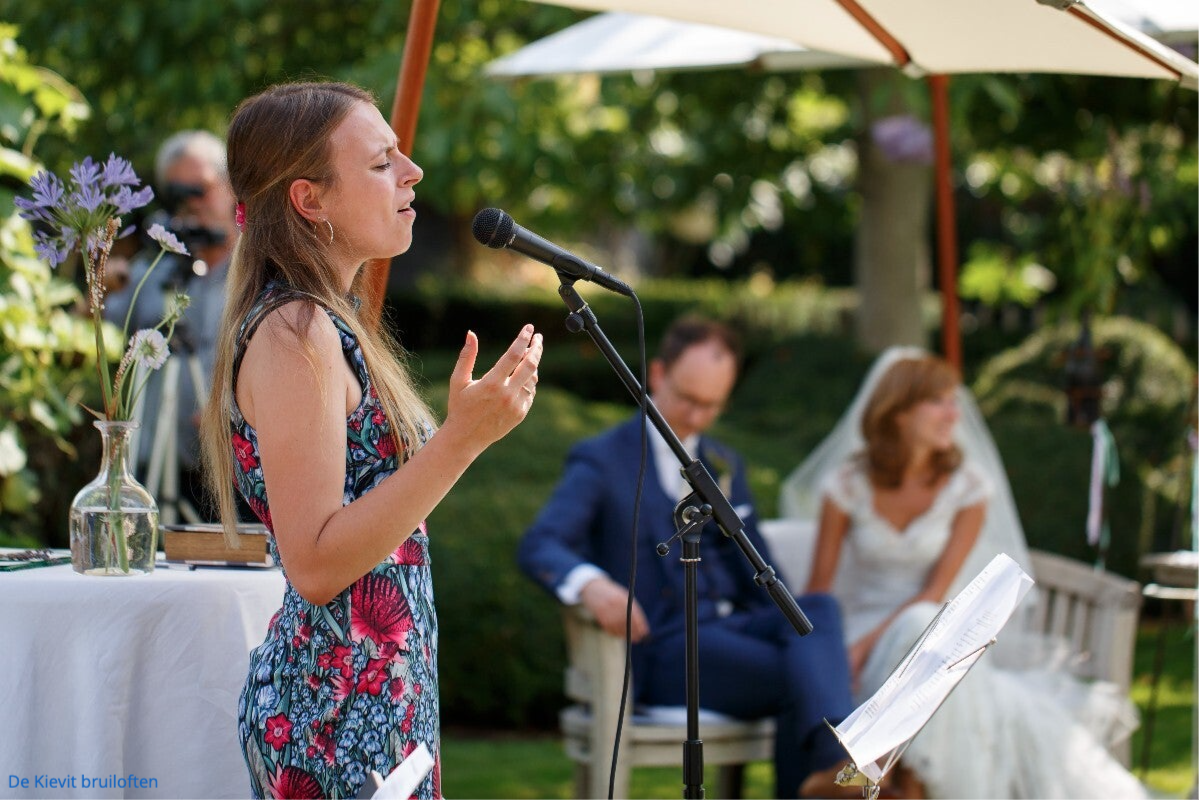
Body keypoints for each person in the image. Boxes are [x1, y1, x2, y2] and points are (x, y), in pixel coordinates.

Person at [199, 81, 543, 800]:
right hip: (334, 717)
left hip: (373, 703)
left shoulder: (324, 320)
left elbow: (373, 526)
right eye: (382, 162)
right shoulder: (295, 331)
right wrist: (460, 441)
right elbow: (316, 563)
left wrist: (456, 439)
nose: (412, 171)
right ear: (309, 200)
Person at [517, 317, 856, 800]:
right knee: (804, 677)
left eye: (711, 405)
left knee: (818, 611)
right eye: (687, 399)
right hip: (664, 649)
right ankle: (837, 763)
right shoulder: (603, 459)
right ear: (657, 375)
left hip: (734, 628)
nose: (696, 417)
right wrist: (591, 582)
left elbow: (762, 569)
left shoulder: (724, 464)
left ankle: (832, 764)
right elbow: (541, 543)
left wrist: (803, 640)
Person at [792, 348, 1147, 800]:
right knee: (936, 656)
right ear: (898, 412)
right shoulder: (847, 484)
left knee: (925, 628)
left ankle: (876, 774)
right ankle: (896, 781)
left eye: (954, 402)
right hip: (869, 630)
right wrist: (843, 652)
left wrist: (863, 648)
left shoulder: (968, 487)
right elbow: (819, 591)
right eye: (938, 402)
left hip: (934, 633)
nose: (953, 415)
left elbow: (934, 591)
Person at [104, 130, 240, 520]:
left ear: (231, 187)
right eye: (179, 192)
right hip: (157, 464)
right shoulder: (154, 271)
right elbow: (94, 321)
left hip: (231, 472)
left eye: (201, 189)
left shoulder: (257, 273)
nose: (191, 204)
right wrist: (101, 282)